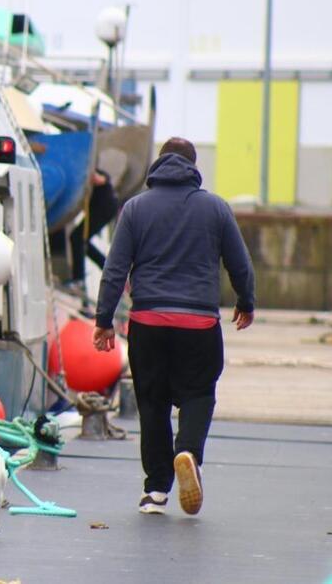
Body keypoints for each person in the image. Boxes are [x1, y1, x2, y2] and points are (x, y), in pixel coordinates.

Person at [92, 137, 255, 516]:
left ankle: (156, 492)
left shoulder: (134, 208)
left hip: (147, 321)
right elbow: (240, 263)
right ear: (194, 167)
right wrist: (246, 302)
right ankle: (188, 452)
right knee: (199, 394)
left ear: (159, 164)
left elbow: (115, 269)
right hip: (198, 322)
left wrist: (103, 320)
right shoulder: (215, 208)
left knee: (152, 403)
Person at [69, 169, 119, 287]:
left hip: (103, 208)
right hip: (100, 208)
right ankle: (108, 269)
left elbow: (101, 178)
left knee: (77, 238)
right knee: (80, 240)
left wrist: (90, 177)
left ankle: (79, 279)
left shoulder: (92, 169)